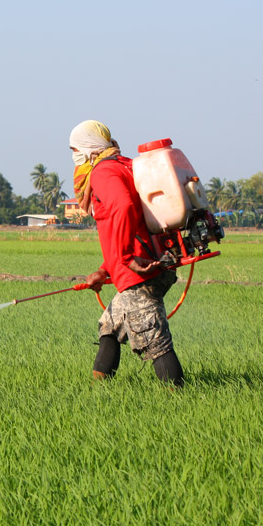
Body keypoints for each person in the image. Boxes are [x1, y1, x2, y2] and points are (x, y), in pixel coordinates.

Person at [69, 120, 185, 388]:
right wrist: (106, 269)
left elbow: (122, 206)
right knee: (110, 325)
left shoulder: (103, 172)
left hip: (139, 270)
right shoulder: (125, 164)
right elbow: (132, 227)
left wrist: (123, 259)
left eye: (75, 149)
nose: (74, 156)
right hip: (152, 260)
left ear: (88, 149)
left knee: (153, 339)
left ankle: (182, 400)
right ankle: (97, 391)